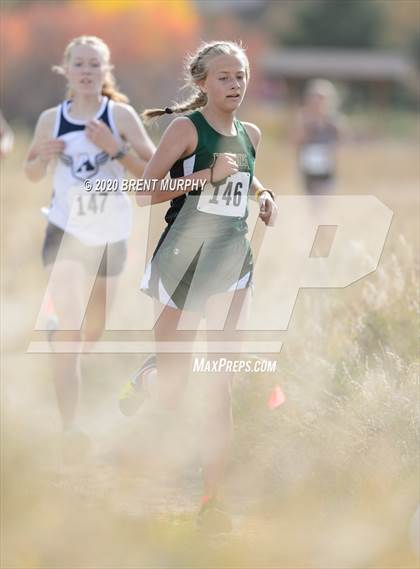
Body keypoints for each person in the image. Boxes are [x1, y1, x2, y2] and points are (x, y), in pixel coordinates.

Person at [119, 40, 277, 532]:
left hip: (232, 268)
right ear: (203, 83)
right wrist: (206, 174)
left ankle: (213, 501)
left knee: (220, 387)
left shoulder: (250, 132)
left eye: (241, 76)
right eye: (225, 77)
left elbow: (245, 175)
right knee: (173, 388)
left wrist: (264, 193)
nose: (235, 84)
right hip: (182, 265)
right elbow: (143, 192)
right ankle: (147, 378)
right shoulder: (186, 128)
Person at [24, 35, 155, 458]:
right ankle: (69, 429)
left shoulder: (119, 115)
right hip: (65, 231)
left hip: (111, 234)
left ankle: (61, 340)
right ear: (66, 70)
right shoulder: (51, 118)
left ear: (105, 71)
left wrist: (115, 149)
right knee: (70, 329)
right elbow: (31, 173)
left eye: (94, 65)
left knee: (91, 333)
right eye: (78, 64)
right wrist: (40, 157)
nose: (86, 71)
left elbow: (153, 171)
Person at [294, 79, 342, 195]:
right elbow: (297, 141)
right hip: (308, 167)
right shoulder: (304, 119)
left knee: (324, 198)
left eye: (321, 99)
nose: (318, 103)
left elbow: (340, 142)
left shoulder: (334, 121)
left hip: (326, 167)